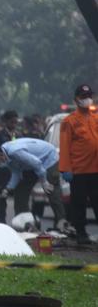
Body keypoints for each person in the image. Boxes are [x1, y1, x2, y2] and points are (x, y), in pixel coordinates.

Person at [0, 137, 66, 229]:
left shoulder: (14, 152)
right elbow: (16, 173)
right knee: (20, 190)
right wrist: (8, 189)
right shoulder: (6, 157)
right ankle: (24, 222)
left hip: (48, 158)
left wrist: (44, 181)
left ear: (1, 155)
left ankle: (61, 223)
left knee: (51, 189)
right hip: (32, 165)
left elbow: (37, 163)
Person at [59, 83, 98, 245]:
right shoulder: (69, 121)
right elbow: (65, 145)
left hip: (96, 169)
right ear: (76, 100)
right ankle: (81, 233)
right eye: (83, 97)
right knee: (79, 204)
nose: (87, 100)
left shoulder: (96, 118)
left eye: (89, 96)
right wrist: (65, 168)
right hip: (79, 171)